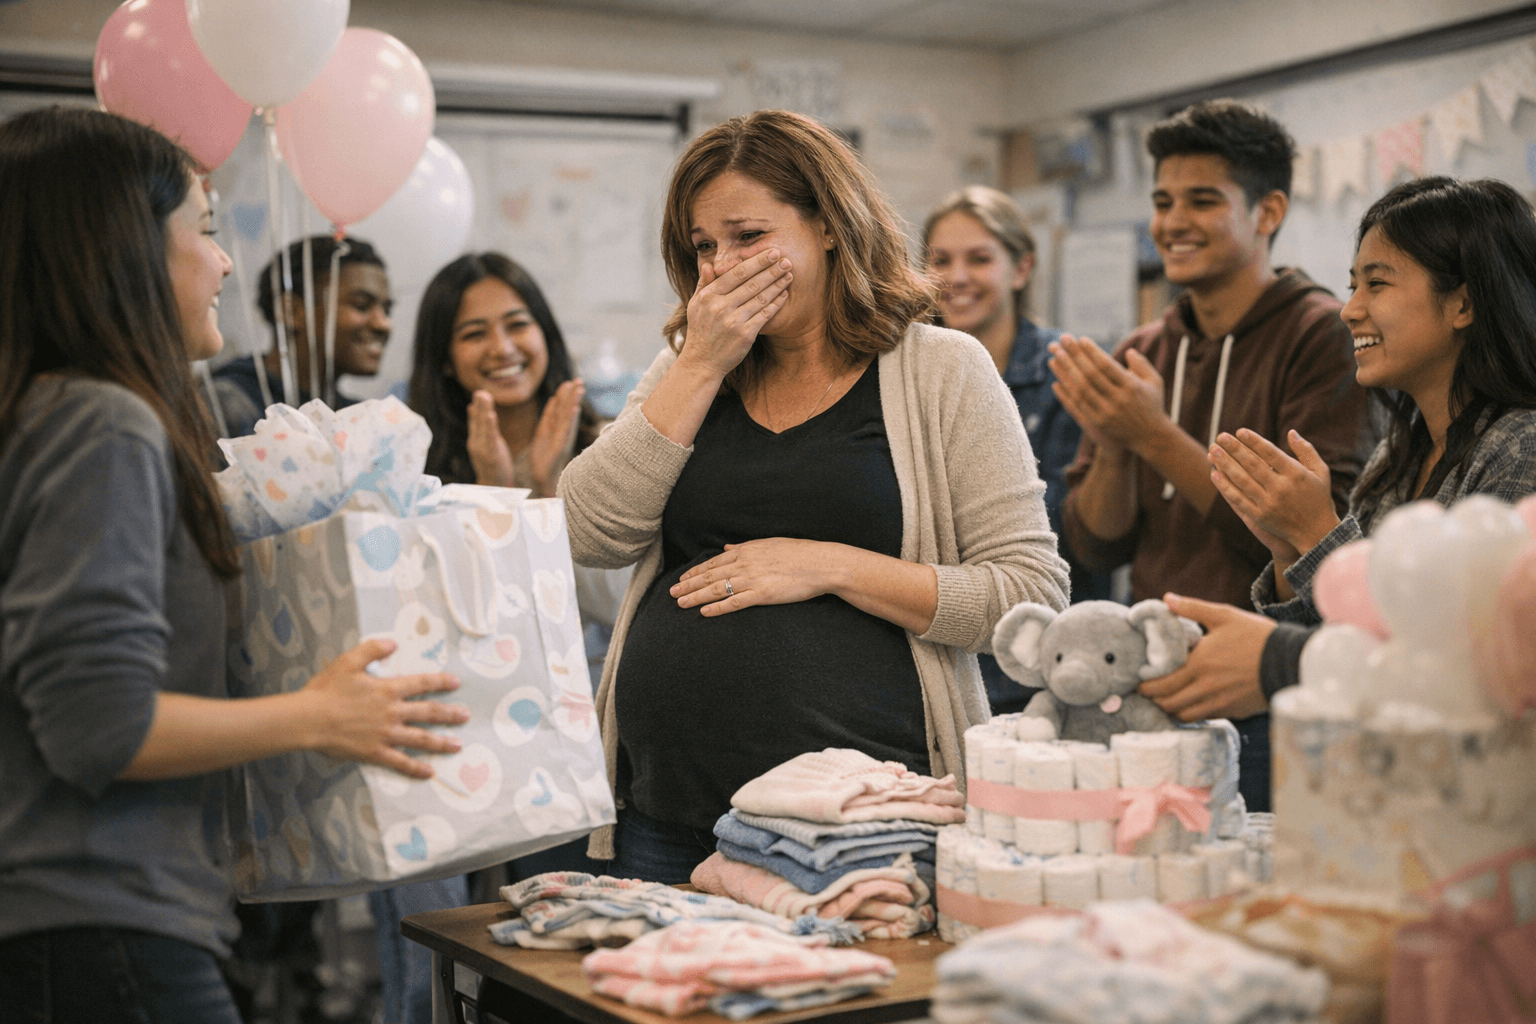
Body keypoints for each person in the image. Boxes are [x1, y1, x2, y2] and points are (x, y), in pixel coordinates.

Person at [0, 107, 468, 1024]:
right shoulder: (102, 423)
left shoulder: (46, 411)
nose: (223, 264)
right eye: (206, 232)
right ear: (123, 251)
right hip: (97, 919)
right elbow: (99, 725)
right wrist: (320, 715)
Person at [557, 109, 1070, 883]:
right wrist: (699, 367)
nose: (723, 268)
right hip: (666, 812)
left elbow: (1030, 599)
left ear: (828, 224)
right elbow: (585, 534)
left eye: (748, 236)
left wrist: (828, 565)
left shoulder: (942, 369)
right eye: (704, 247)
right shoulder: (685, 371)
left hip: (859, 828)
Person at [1050, 99, 1375, 812]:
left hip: (1263, 688)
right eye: (1163, 202)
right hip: (1148, 681)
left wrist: (1153, 436)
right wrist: (1113, 444)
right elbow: (1095, 544)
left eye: (1203, 201)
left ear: (1267, 212)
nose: (1172, 223)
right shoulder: (1143, 349)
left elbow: (1302, 539)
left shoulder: (1321, 337)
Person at [1141, 176, 1536, 714]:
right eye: (1353, 285)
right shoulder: (1399, 454)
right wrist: (1286, 549)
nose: (1350, 309)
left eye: (1377, 284)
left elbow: (1465, 667)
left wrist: (1315, 531)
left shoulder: (1521, 447)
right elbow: (1336, 633)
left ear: (1462, 303)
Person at [923, 186, 1113, 715]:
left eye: (979, 259)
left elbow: (1068, 536)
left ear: (1021, 269)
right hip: (941, 661)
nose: (957, 277)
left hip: (1055, 671)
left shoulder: (1069, 373)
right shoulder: (903, 374)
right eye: (941, 260)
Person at [212, 234, 392, 437]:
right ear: (292, 311)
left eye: (387, 310)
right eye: (361, 305)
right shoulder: (229, 404)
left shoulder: (357, 419)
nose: (383, 324)